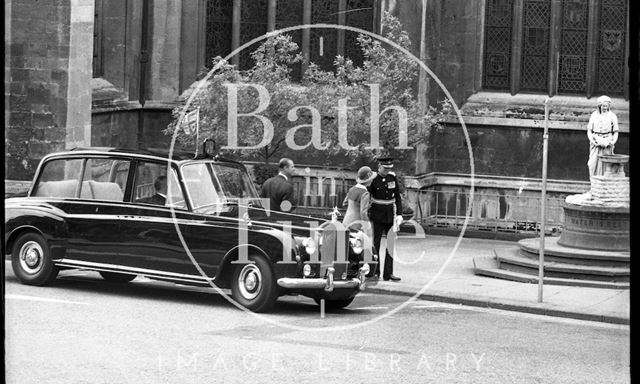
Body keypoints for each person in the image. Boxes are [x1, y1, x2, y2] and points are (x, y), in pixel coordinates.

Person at [367, 157, 403, 281]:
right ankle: (375, 272)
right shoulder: (373, 180)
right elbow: (367, 197)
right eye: (385, 168)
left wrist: (399, 214)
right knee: (375, 245)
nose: (387, 171)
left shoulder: (392, 178)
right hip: (377, 215)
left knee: (390, 244)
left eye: (389, 168)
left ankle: (388, 273)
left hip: (389, 215)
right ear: (379, 167)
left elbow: (397, 197)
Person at [587, 95, 619, 176]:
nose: (604, 107)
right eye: (603, 106)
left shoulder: (612, 116)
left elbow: (615, 132)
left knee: (606, 166)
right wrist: (592, 140)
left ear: (609, 106)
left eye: (606, 106)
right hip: (595, 143)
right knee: (592, 165)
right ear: (599, 105)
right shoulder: (594, 115)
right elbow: (589, 130)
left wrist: (612, 142)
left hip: (607, 143)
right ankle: (594, 185)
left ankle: (604, 186)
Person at [342, 166, 377, 236]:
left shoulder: (352, 189)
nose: (372, 180)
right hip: (357, 225)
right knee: (360, 245)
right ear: (368, 180)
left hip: (346, 221)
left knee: (345, 244)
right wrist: (367, 224)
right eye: (371, 179)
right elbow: (363, 213)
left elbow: (344, 203)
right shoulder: (365, 193)